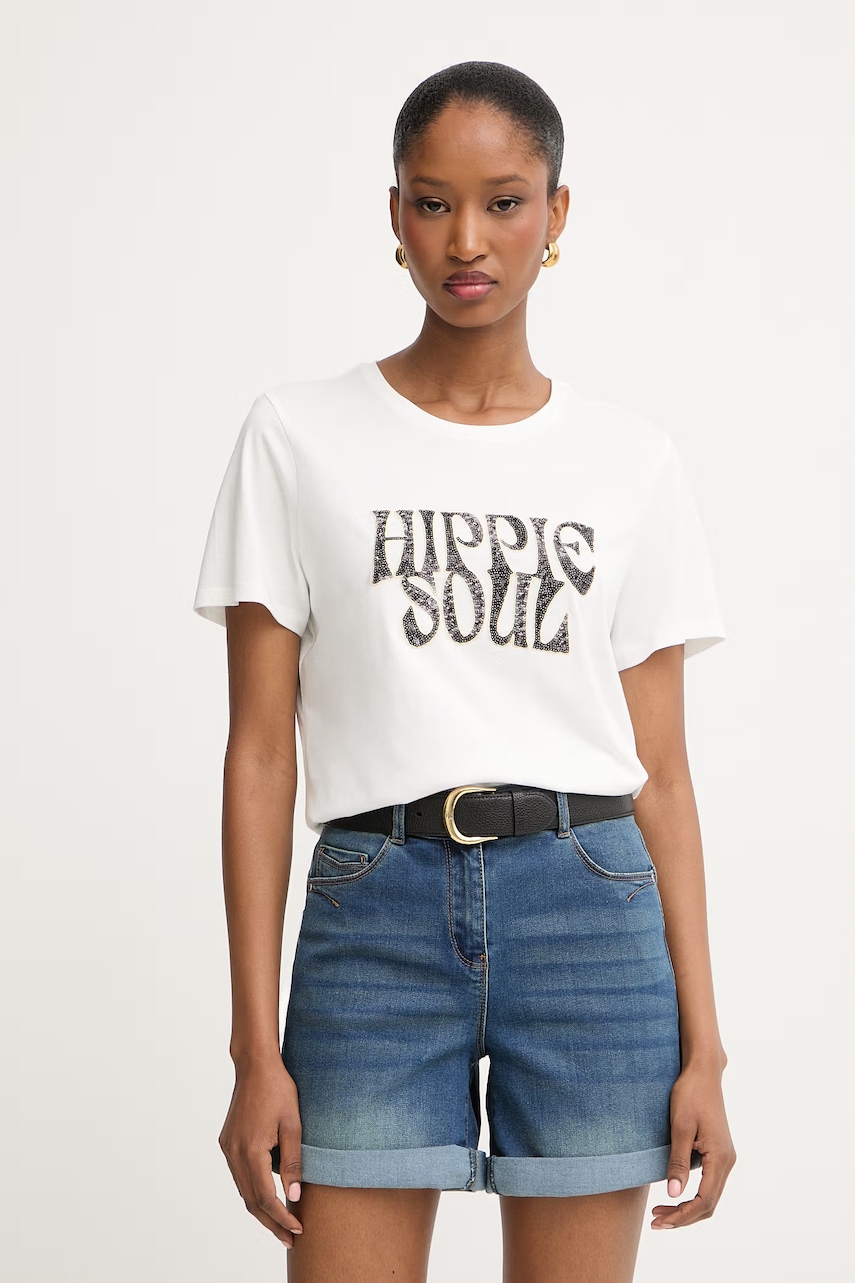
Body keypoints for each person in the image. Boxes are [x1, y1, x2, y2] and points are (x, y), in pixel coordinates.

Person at [192, 59, 736, 1283]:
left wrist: (707, 1047)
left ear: (556, 213)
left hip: (590, 912)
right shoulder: (297, 436)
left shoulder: (631, 461)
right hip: (372, 912)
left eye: (504, 202)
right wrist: (252, 1048)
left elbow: (664, 773)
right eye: (434, 203)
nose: (468, 240)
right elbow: (261, 753)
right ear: (395, 214)